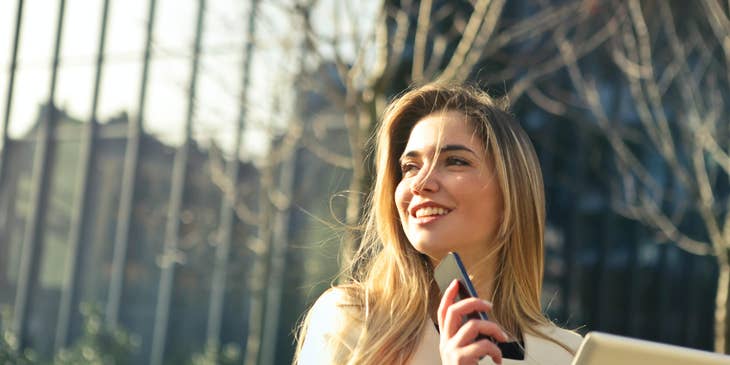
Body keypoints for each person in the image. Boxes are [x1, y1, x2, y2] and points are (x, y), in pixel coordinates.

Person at [294, 83, 582, 365]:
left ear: (512, 193)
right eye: (410, 167)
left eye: (454, 161)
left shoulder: (569, 355)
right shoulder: (352, 321)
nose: (420, 183)